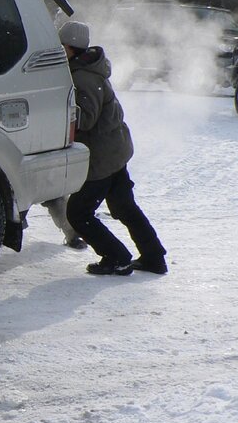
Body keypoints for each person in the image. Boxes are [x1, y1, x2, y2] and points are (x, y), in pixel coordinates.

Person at [61, 20, 168, 276]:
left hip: (103, 156)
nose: (58, 50)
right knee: (124, 207)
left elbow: (85, 119)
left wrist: (59, 111)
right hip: (115, 150)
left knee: (78, 213)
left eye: (61, 45)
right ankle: (154, 257)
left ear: (70, 47)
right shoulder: (88, 69)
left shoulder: (83, 78)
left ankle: (116, 256)